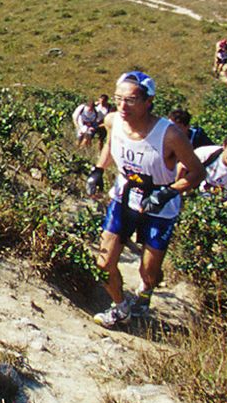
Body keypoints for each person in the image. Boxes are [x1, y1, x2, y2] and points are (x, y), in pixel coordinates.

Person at [87, 71, 205, 326]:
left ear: (148, 101)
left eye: (130, 100)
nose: (122, 106)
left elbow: (197, 172)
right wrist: (98, 170)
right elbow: (110, 143)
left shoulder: (170, 135)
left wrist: (169, 192)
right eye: (118, 99)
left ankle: (145, 293)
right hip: (124, 197)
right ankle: (120, 307)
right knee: (103, 261)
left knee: (148, 271)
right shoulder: (112, 121)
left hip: (160, 207)